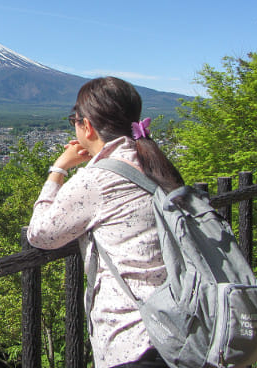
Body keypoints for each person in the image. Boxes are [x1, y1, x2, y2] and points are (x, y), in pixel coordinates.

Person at [27, 77, 184, 368]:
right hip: (180, 325)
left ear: (87, 126)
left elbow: (40, 234)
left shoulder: (97, 178)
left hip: (134, 339)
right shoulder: (153, 163)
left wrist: (59, 168)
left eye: (74, 119)